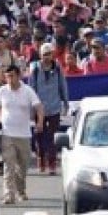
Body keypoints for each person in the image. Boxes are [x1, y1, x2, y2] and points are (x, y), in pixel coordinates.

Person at [0, 66, 43, 205]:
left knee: (23, 166)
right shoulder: (2, 90)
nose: (10, 79)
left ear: (19, 76)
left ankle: (21, 190)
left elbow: (38, 107)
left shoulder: (27, 90)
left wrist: (40, 122)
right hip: (7, 133)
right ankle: (9, 195)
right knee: (9, 164)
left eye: (12, 76)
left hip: (24, 134)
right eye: (7, 76)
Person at [27, 45, 68, 175]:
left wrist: (65, 102)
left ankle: (52, 164)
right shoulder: (35, 69)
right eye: (44, 54)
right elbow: (31, 88)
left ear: (52, 54)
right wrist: (32, 108)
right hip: (39, 109)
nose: (47, 57)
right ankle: (41, 161)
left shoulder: (58, 68)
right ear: (40, 55)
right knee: (39, 137)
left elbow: (63, 85)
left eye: (49, 54)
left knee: (52, 137)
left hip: (54, 107)